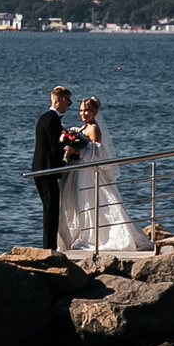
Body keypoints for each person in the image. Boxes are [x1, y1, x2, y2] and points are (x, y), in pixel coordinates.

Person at [58, 96, 143, 253]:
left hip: (89, 173)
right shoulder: (83, 129)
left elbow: (97, 153)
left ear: (94, 111)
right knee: (83, 203)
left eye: (86, 110)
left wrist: (76, 150)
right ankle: (87, 234)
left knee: (91, 202)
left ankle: (96, 237)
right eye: (81, 110)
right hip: (80, 171)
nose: (83, 113)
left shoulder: (94, 129)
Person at [31, 86, 74, 248]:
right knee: (51, 210)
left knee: (49, 208)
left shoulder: (43, 118)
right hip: (47, 171)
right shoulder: (53, 121)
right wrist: (69, 154)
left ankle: (49, 246)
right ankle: (49, 248)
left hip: (39, 169)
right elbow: (55, 148)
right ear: (63, 100)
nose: (68, 106)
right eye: (69, 102)